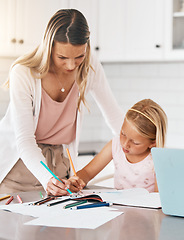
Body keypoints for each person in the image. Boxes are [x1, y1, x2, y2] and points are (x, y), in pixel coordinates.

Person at [0, 9, 123, 196]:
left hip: (59, 170)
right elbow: (24, 140)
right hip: (18, 170)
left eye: (79, 57)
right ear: (48, 48)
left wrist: (142, 152)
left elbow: (115, 117)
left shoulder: (90, 68)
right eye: (62, 58)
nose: (71, 65)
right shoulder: (23, 72)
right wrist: (46, 179)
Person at [68, 99, 167, 193]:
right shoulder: (115, 145)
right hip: (119, 208)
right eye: (123, 134)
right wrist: (76, 180)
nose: (125, 144)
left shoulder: (158, 159)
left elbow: (158, 199)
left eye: (135, 142)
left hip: (145, 210)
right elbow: (88, 172)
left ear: (153, 142)